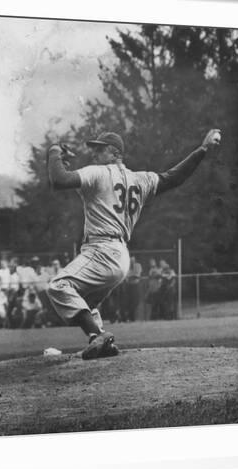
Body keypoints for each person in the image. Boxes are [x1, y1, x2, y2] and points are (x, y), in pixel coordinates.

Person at [46, 129, 221, 359]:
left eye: (101, 148)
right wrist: (203, 149)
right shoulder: (141, 179)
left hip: (101, 249)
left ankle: (95, 336)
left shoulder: (99, 173)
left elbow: (59, 180)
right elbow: (174, 177)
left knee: (57, 287)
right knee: (87, 302)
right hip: (121, 257)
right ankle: (103, 343)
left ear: (116, 153)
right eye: (94, 148)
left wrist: (54, 152)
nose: (95, 152)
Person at [123, 255, 142, 321]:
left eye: (132, 259)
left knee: (135, 302)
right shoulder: (127, 265)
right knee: (128, 302)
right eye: (130, 259)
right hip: (128, 286)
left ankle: (133, 318)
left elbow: (136, 276)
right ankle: (130, 318)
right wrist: (130, 277)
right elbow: (126, 276)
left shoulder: (137, 265)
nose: (131, 261)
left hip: (135, 286)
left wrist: (129, 277)